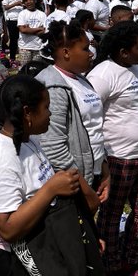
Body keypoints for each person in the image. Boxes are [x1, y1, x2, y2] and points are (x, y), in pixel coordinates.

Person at [0, 76, 106, 276]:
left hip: (43, 253)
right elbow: (7, 227)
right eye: (46, 107)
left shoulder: (29, 142)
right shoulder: (1, 160)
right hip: (16, 270)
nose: (50, 113)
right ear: (27, 112)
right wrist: (50, 190)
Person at [88, 22, 138, 276]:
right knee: (110, 216)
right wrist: (100, 159)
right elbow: (91, 116)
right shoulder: (104, 74)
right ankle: (109, 265)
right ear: (123, 52)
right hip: (117, 157)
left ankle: (129, 259)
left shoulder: (137, 68)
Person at [35, 22, 108, 214]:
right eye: (85, 49)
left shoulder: (81, 79)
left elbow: (94, 128)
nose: (91, 53)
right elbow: (53, 147)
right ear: (66, 52)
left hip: (93, 173)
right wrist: (83, 188)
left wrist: (104, 168)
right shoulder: (54, 87)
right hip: (74, 183)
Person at [16, 0, 47, 68]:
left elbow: (44, 30)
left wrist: (29, 29)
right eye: (26, 0)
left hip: (38, 47)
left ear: (35, 0)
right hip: (25, 47)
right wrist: (38, 29)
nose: (28, 2)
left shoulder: (42, 14)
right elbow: (23, 30)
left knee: (36, 71)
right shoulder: (22, 14)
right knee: (24, 70)